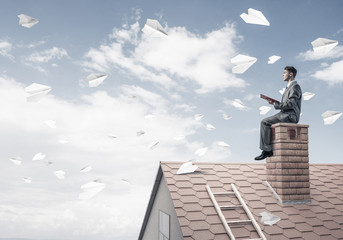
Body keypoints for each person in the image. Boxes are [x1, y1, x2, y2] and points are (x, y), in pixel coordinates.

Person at [255, 66, 302, 160]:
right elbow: (286, 104)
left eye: (284, 72)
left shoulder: (295, 87)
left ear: (291, 74)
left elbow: (290, 104)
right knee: (265, 122)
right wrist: (273, 103)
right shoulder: (289, 87)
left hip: (290, 116)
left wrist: (276, 104)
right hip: (284, 114)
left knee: (265, 122)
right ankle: (267, 149)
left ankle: (267, 151)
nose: (282, 75)